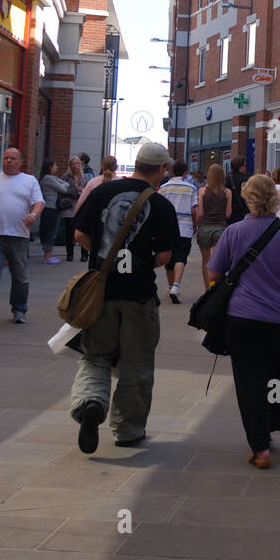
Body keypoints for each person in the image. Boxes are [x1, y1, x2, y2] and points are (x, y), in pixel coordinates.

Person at [70, 142, 178, 452]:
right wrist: (136, 262)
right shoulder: (161, 205)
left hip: (99, 293)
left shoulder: (103, 192)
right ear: (159, 170)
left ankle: (90, 403)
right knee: (137, 364)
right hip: (139, 294)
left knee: (95, 356)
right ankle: (128, 431)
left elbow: (79, 234)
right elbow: (164, 256)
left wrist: (106, 262)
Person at [206, 172, 280, 468]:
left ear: (247, 197)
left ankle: (260, 445)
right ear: (275, 198)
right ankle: (270, 427)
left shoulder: (234, 232)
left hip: (243, 317)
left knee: (249, 378)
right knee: (272, 371)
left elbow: (214, 274)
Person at [0, 147, 44, 323]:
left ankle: (19, 309)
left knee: (20, 276)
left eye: (13, 158)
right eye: (6, 158)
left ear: (20, 162)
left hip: (19, 236)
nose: (8, 161)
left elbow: (39, 202)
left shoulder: (29, 181)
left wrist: (33, 215)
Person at [158, 160, 198, 302]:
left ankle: (171, 287)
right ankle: (176, 285)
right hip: (184, 227)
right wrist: (195, 225)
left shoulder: (163, 187)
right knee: (181, 257)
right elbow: (194, 210)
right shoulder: (191, 188)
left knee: (169, 260)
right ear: (186, 172)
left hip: (167, 228)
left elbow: (159, 209)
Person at [196, 163, 232, 290]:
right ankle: (214, 286)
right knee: (217, 261)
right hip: (220, 228)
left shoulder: (203, 191)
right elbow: (228, 214)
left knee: (205, 260)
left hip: (205, 228)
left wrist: (195, 225)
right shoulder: (227, 192)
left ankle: (208, 289)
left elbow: (200, 213)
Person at [38, 160, 71, 264]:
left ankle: (48, 256)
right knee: (51, 232)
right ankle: (47, 257)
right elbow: (64, 188)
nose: (57, 167)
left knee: (50, 232)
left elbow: (65, 183)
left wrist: (61, 183)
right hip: (51, 208)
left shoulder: (49, 178)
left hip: (49, 208)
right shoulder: (48, 178)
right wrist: (61, 183)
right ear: (50, 167)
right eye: (55, 165)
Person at [59, 155, 88, 262]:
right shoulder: (65, 177)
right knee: (69, 232)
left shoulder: (83, 177)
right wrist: (75, 191)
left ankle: (84, 254)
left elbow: (87, 190)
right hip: (69, 206)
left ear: (80, 165)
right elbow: (62, 191)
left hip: (81, 206)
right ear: (70, 165)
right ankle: (69, 254)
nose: (75, 166)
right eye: (73, 164)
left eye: (77, 164)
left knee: (82, 231)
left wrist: (82, 190)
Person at [225, 156, 251, 223]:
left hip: (229, 214)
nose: (245, 168)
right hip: (243, 214)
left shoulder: (226, 179)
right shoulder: (246, 180)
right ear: (240, 167)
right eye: (244, 165)